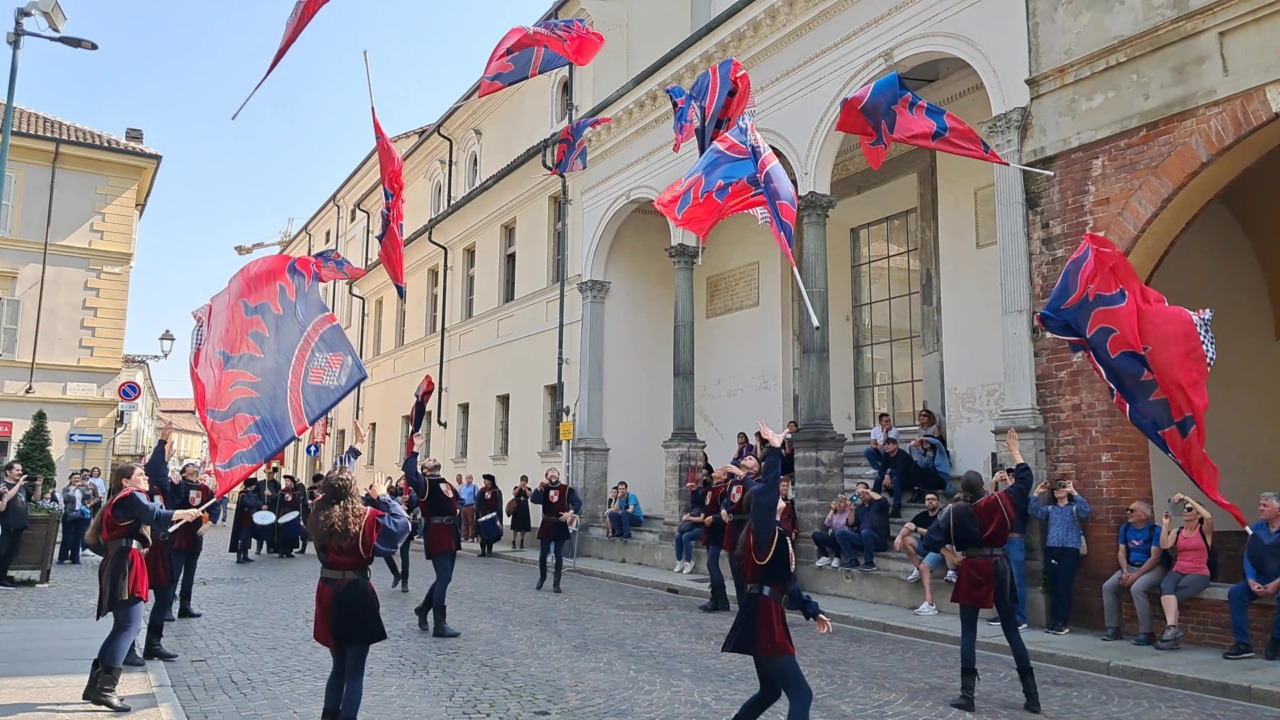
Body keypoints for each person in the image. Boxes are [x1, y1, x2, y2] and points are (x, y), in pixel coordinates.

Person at [922, 429, 1040, 714]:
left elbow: (930, 541)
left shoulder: (953, 512)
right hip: (999, 565)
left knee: (968, 632)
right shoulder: (1000, 501)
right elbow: (1025, 480)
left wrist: (951, 555)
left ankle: (967, 695)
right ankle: (1032, 697)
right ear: (982, 488)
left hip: (973, 567)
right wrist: (1015, 453)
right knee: (1012, 630)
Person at [721, 421, 832, 720]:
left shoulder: (773, 535)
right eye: (776, 496)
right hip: (765, 618)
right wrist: (774, 449)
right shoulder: (764, 532)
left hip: (766, 612)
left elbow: (788, 582)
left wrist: (811, 610)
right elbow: (767, 489)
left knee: (770, 691)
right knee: (801, 695)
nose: (781, 496)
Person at [82, 463, 200, 712]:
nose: (145, 478)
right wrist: (182, 513)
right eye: (140, 475)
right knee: (130, 625)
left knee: (121, 626)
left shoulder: (123, 499)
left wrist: (179, 515)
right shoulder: (132, 495)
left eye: (145, 474)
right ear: (126, 481)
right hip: (127, 560)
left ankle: (96, 687)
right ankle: (105, 689)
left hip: (121, 558)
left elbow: (150, 518)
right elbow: (151, 514)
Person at [308, 467, 410, 720]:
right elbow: (402, 524)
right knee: (355, 672)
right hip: (356, 593)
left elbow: (330, 488)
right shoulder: (365, 517)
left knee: (338, 667)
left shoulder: (318, 513)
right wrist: (384, 497)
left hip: (328, 592)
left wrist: (352, 452)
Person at [404, 433, 462, 638]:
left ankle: (422, 609)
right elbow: (409, 472)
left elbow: (459, 500)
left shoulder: (446, 483)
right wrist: (416, 448)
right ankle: (439, 624)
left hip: (450, 532)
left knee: (445, 577)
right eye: (430, 461)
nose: (434, 459)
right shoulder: (424, 484)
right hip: (436, 532)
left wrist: (456, 510)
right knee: (444, 576)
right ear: (425, 470)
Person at [1029, 477, 1092, 635]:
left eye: (1062, 487)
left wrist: (1073, 492)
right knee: (1054, 586)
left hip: (1069, 549)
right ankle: (1053, 620)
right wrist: (1037, 493)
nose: (1059, 490)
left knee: (1064, 586)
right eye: (1056, 488)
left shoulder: (1074, 508)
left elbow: (1087, 510)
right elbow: (1032, 510)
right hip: (1052, 549)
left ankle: (1062, 621)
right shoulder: (1050, 509)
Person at [1223, 491, 1280, 661]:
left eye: (1265, 505)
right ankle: (1242, 644)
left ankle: (1276, 640)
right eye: (1260, 504)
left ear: (1278, 510)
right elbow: (1249, 555)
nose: (1260, 508)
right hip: (1261, 575)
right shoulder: (1255, 528)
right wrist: (1251, 579)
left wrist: (1276, 583)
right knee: (1236, 594)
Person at [1100, 500, 1166, 645]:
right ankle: (1113, 628)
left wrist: (1136, 576)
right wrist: (1125, 571)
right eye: (1128, 510)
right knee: (1108, 586)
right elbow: (1121, 552)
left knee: (1137, 588)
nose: (1128, 513)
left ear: (1144, 515)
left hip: (1153, 568)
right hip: (1130, 566)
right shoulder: (1125, 528)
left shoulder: (1155, 530)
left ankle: (1147, 633)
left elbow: (1155, 558)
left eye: (1132, 510)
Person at [1155, 494, 1213, 650]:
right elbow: (1165, 545)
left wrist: (1187, 497)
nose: (1185, 511)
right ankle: (1172, 629)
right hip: (1179, 569)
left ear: (1198, 513)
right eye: (1184, 509)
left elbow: (1208, 517)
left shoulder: (1204, 531)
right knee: (1166, 587)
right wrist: (1165, 525)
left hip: (1199, 572)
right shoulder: (1178, 531)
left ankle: (1170, 635)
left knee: (1176, 595)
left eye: (1189, 509)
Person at [141, 434, 180, 660]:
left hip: (162, 547)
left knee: (165, 595)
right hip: (143, 549)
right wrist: (162, 444)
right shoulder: (137, 495)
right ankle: (126, 648)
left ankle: (153, 643)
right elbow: (155, 465)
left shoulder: (163, 489)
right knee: (134, 599)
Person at [166, 462, 213, 620]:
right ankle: (166, 607)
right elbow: (172, 501)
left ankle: (185, 606)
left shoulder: (205, 489)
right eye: (190, 465)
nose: (195, 466)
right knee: (174, 573)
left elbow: (215, 506)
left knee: (190, 575)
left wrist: (210, 522)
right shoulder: (179, 484)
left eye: (195, 465)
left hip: (195, 534)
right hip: (179, 532)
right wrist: (175, 484)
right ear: (184, 473)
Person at [530, 466, 581, 594]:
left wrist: (570, 513)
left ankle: (556, 583)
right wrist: (538, 487)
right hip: (547, 523)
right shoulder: (544, 489)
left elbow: (577, 503)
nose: (553, 471)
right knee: (543, 555)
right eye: (549, 471)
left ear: (558, 475)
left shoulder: (566, 489)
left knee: (558, 554)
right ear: (547, 476)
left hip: (560, 524)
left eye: (555, 471)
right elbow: (534, 499)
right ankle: (542, 576)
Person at [722, 457, 760, 605]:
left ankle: (752, 605)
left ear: (755, 468)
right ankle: (742, 604)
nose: (746, 458)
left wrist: (743, 476)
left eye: (751, 459)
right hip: (733, 526)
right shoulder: (733, 482)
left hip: (747, 524)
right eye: (745, 457)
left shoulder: (757, 480)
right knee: (736, 570)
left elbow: (757, 493)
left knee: (748, 569)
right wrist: (723, 509)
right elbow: (727, 500)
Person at [698, 466, 733, 612]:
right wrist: (694, 491)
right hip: (709, 530)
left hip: (718, 530)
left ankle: (717, 598)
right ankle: (722, 600)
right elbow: (701, 503)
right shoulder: (711, 489)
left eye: (719, 470)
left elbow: (727, 510)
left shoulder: (724, 490)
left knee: (712, 563)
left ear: (724, 476)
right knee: (711, 564)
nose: (716, 470)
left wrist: (714, 518)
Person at [0, 461, 32, 589]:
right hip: (6, 523)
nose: (20, 472)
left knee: (11, 552)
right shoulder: (2, 484)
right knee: (2, 551)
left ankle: (3, 577)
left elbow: (35, 499)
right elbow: (5, 500)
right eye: (17, 470)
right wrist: (18, 484)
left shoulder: (23, 487)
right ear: (8, 471)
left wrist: (39, 486)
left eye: (21, 470)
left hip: (19, 523)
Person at [381, 479, 417, 593]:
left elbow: (416, 503)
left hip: (404, 527)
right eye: (401, 480)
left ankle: (405, 581)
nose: (403, 482)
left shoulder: (412, 493)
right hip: (392, 526)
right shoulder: (392, 492)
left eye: (405, 481)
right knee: (385, 552)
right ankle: (396, 573)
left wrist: (409, 500)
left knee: (404, 556)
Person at [674, 476, 705, 574]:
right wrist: (686, 517)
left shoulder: (703, 505)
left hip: (701, 527)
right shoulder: (693, 504)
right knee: (678, 535)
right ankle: (679, 560)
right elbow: (688, 513)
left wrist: (690, 518)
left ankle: (689, 561)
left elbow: (701, 519)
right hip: (691, 525)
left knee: (686, 537)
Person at [59, 471, 91, 565]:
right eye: (75, 478)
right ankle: (62, 557)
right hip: (69, 514)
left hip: (80, 514)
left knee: (78, 537)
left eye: (78, 478)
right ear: (70, 479)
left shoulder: (82, 489)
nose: (76, 480)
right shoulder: (66, 488)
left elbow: (88, 497)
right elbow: (66, 498)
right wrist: (74, 488)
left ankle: (75, 558)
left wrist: (88, 488)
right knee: (66, 536)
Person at [228, 478, 263, 564]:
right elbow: (248, 503)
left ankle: (245, 555)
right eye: (254, 485)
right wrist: (255, 500)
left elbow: (258, 503)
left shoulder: (252, 494)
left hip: (250, 518)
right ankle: (239, 556)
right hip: (243, 519)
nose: (255, 486)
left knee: (247, 537)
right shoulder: (242, 494)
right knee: (242, 537)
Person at [811, 495, 850, 568]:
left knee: (836, 533)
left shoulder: (848, 512)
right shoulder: (835, 515)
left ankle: (837, 557)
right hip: (833, 537)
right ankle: (825, 556)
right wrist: (832, 509)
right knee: (815, 535)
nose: (839, 504)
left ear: (846, 504)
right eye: (837, 502)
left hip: (844, 538)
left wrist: (849, 504)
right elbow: (827, 523)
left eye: (841, 502)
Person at [273, 476, 305, 559]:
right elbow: (278, 504)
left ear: (292, 482)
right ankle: (281, 551)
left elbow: (298, 505)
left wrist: (299, 515)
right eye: (286, 481)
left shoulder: (296, 492)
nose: (286, 483)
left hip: (293, 515)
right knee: (282, 534)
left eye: (288, 481)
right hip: (283, 514)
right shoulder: (282, 492)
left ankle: (288, 551)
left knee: (291, 534)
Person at [862, 413, 899, 477]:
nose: (889, 423)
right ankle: (876, 468)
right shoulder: (875, 430)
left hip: (891, 454)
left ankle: (888, 466)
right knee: (866, 450)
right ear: (880, 422)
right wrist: (877, 446)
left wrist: (885, 431)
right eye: (886, 421)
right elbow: (872, 443)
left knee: (884, 448)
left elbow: (888, 443)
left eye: (889, 421)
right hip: (879, 451)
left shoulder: (894, 431)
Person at [475, 474, 504, 557]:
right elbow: (477, 503)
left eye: (486, 480)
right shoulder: (482, 491)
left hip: (492, 515)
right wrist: (478, 512)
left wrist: (498, 516)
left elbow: (499, 504)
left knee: (490, 534)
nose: (484, 481)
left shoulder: (497, 491)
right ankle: (482, 551)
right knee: (482, 534)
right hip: (482, 515)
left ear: (490, 481)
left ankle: (489, 551)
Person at [509, 475, 532, 550]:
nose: (524, 482)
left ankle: (522, 542)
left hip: (524, 508)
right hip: (517, 508)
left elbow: (529, 495)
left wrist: (525, 488)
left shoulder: (528, 489)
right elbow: (514, 494)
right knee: (515, 526)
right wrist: (519, 487)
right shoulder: (516, 487)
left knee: (523, 527)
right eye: (522, 481)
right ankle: (513, 542)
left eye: (525, 481)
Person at [457, 474, 477, 543]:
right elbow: (460, 497)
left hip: (471, 506)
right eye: (467, 478)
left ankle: (471, 537)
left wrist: (475, 505)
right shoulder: (463, 488)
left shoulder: (474, 487)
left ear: (472, 479)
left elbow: (477, 496)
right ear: (465, 479)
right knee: (464, 522)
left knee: (471, 522)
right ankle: (465, 536)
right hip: (463, 506)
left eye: (470, 478)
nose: (468, 479)